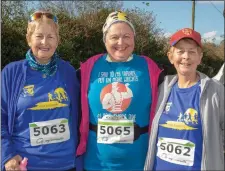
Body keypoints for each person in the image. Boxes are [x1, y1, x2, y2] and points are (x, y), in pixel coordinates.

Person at [76, 11, 164, 170]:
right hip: (96, 162)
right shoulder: (89, 67)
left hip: (139, 162)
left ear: (134, 39)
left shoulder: (149, 67)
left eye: (127, 36)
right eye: (114, 37)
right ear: (105, 40)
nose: (121, 42)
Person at [1, 10, 82, 171]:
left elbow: (83, 111)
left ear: (58, 41)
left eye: (51, 37)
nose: (45, 42)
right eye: (39, 36)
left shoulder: (68, 71)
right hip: (24, 164)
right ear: (28, 39)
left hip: (66, 165)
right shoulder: (11, 72)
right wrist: (6, 154)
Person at [144, 28, 224, 170]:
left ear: (200, 57)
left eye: (192, 52)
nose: (186, 56)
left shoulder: (215, 91)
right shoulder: (161, 88)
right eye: (180, 51)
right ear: (170, 56)